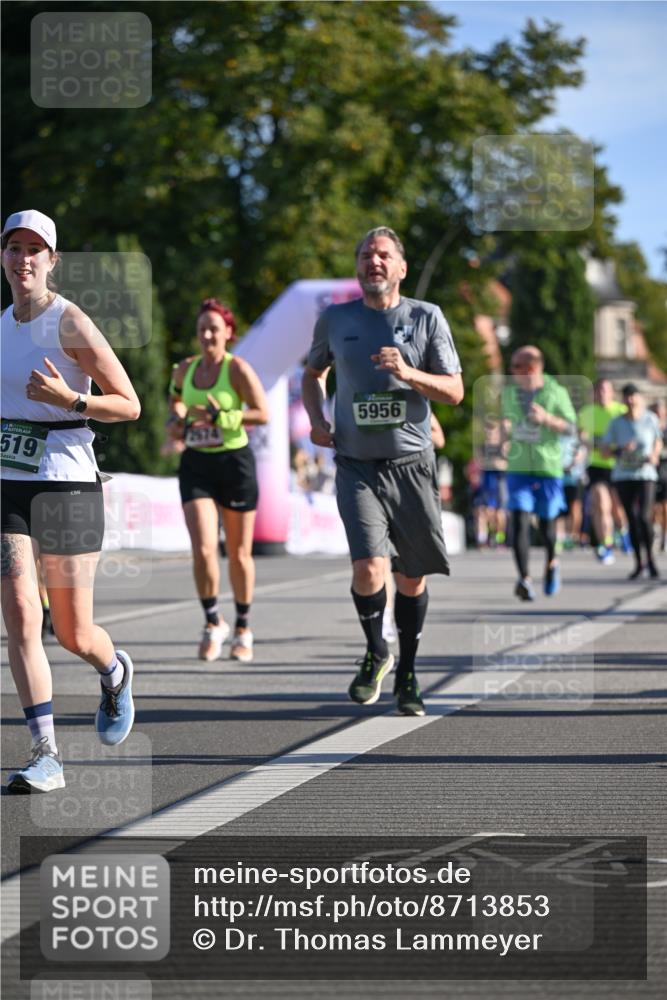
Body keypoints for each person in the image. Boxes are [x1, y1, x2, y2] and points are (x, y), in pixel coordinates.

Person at [1, 209, 140, 793]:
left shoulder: (72, 323)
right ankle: (46, 753)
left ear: (52, 261)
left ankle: (113, 672)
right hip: (10, 481)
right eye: (14, 248)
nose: (24, 258)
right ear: (3, 258)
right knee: (20, 615)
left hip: (68, 480)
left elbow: (129, 404)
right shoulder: (1, 325)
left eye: (36, 249)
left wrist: (70, 399)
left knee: (72, 632)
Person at [302, 226, 463, 716]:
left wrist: (409, 373)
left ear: (401, 268)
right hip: (357, 464)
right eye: (367, 254)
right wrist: (317, 420)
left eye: (384, 255)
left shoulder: (426, 317)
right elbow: (314, 374)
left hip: (412, 464)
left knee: (411, 577)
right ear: (358, 266)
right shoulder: (336, 318)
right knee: (370, 565)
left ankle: (408, 672)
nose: (374, 261)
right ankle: (377, 649)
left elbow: (454, 392)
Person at [167, 298, 269, 663]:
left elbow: (262, 413)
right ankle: (213, 622)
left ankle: (243, 627)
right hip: (197, 463)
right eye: (202, 329)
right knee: (205, 549)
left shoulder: (237, 369)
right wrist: (177, 420)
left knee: (239, 555)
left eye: (214, 328)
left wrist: (223, 416)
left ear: (228, 332)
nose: (207, 334)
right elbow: (175, 403)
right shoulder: (184, 370)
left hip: (233, 464)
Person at [502, 346, 576, 600]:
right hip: (519, 467)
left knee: (547, 526)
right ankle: (524, 578)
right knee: (520, 521)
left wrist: (547, 419)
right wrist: (503, 431)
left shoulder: (557, 393)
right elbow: (507, 423)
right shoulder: (510, 394)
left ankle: (552, 563)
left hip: (548, 467)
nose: (511, 372)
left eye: (515, 367)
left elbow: (570, 428)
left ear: (531, 368)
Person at [602, 384, 662, 579]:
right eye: (626, 397)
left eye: (633, 396)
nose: (630, 400)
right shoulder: (616, 422)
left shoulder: (650, 419)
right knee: (631, 518)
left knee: (645, 517)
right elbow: (604, 450)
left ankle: (651, 560)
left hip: (645, 474)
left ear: (639, 398)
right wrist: (620, 450)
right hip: (624, 475)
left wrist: (654, 454)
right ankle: (639, 562)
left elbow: (658, 440)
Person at [578, 379, 630, 564]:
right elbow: (581, 435)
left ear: (611, 392)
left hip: (618, 466)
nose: (601, 394)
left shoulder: (620, 411)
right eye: (598, 390)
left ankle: (624, 533)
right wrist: (589, 443)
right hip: (596, 465)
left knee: (618, 508)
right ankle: (606, 545)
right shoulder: (587, 413)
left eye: (605, 390)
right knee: (601, 504)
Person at [649, 400, 667, 553]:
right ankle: (654, 533)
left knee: (665, 506)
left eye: (660, 412)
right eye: (655, 411)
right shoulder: (647, 429)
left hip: (665, 471)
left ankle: (665, 537)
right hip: (651, 472)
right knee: (654, 507)